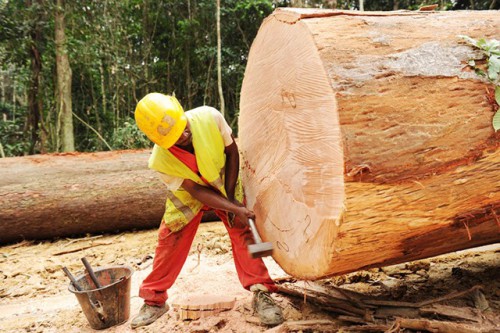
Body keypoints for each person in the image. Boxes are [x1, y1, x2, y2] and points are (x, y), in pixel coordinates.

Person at [130, 93, 284, 328]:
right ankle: (154, 300)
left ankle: (261, 290)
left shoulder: (210, 117)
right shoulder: (159, 161)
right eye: (175, 138)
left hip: (225, 181)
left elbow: (232, 152)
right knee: (170, 238)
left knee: (243, 229)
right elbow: (195, 191)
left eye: (183, 128)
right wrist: (230, 206)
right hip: (189, 194)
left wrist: (232, 201)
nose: (183, 136)